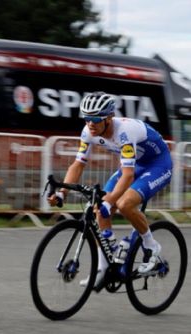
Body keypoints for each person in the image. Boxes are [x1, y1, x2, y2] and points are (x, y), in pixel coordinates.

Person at [48, 91, 172, 288]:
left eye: (96, 118)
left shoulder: (124, 131)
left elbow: (128, 175)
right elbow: (78, 164)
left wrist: (111, 201)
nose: (90, 123)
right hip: (135, 165)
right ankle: (103, 267)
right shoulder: (88, 132)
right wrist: (62, 192)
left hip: (158, 165)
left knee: (124, 204)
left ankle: (152, 248)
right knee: (98, 205)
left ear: (109, 117)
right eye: (87, 118)